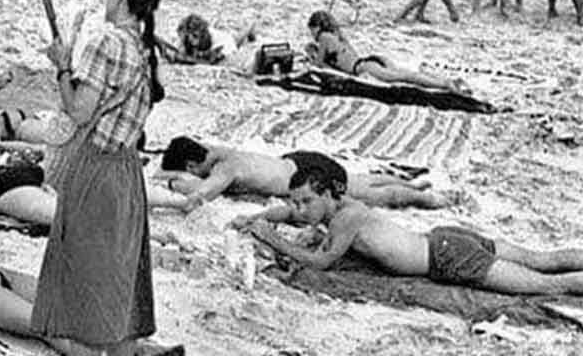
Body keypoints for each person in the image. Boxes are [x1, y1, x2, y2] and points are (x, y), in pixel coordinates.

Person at [35, 0, 163, 356]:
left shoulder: (107, 42)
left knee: (87, 281)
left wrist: (61, 65)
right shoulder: (145, 47)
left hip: (98, 168)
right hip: (126, 169)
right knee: (118, 283)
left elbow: (79, 111)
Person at [236, 158, 583, 295]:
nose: (298, 209)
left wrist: (274, 241)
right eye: (294, 201)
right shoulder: (340, 211)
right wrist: (256, 219)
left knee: (548, 285)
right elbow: (291, 215)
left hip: (447, 258)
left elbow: (321, 262)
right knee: (543, 260)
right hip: (445, 241)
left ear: (329, 194)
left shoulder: (346, 219)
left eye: (305, 201)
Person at [158, 138, 454, 211]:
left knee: (375, 196)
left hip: (307, 174)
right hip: (298, 162)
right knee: (359, 180)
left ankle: (428, 199)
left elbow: (201, 195)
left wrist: (171, 184)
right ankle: (412, 184)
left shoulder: (224, 168)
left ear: (191, 167)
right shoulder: (217, 152)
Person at [305, 10, 469, 93]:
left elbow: (319, 66)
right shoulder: (337, 35)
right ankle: (445, 81)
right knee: (405, 73)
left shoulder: (324, 38)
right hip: (368, 61)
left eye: (311, 30)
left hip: (363, 68)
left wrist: (311, 53)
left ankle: (445, 84)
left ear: (317, 27)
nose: (312, 34)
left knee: (404, 77)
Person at [170, 13, 259, 70]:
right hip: (214, 36)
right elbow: (178, 52)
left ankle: (251, 26)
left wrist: (186, 58)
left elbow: (209, 63)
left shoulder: (221, 44)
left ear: (202, 35)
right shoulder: (187, 36)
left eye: (195, 36)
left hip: (226, 43)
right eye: (190, 36)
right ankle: (250, 27)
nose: (193, 41)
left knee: (237, 41)